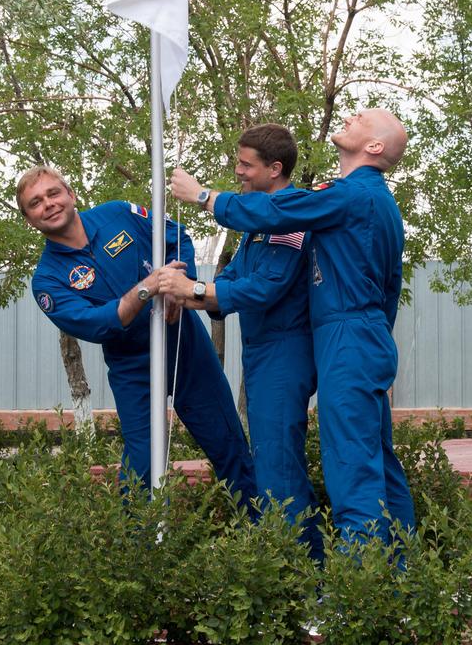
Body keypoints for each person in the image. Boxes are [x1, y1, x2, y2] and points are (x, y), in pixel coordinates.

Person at [169, 109, 415, 542]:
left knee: (351, 470)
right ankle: (401, 577)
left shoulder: (351, 195)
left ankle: (362, 596)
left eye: (361, 118)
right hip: (359, 333)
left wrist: (205, 197)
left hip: (348, 335)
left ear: (374, 147)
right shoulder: (366, 199)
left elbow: (278, 219)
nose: (351, 117)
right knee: (373, 461)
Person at [18, 164, 256, 504]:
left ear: (70, 194)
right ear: (29, 219)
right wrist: (146, 288)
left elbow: (177, 237)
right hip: (133, 368)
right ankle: (140, 550)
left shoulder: (118, 214)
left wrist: (179, 287)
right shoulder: (48, 280)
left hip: (184, 347)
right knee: (142, 465)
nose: (48, 204)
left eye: (53, 193)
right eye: (36, 203)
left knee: (229, 446)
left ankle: (262, 535)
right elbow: (96, 323)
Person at [156, 124, 322, 558]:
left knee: (279, 471)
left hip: (285, 352)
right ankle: (296, 570)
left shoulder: (288, 218)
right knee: (270, 465)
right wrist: (186, 289)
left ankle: (306, 577)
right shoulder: (258, 222)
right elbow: (231, 278)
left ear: (275, 168)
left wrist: (191, 291)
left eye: (247, 165)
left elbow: (264, 287)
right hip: (264, 353)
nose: (239, 172)